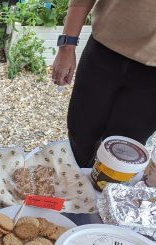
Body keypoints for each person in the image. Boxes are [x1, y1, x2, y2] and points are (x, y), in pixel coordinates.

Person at [51, 0, 156, 167]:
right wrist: (67, 46)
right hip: (104, 51)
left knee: (123, 156)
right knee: (80, 139)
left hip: (151, 78)